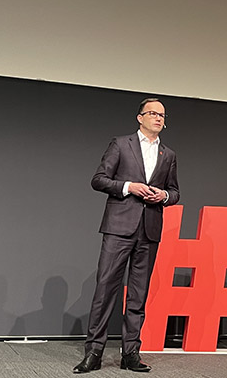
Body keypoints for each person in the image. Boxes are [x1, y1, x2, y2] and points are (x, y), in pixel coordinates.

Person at [74, 98, 180, 373]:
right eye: (153, 113)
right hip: (119, 227)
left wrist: (163, 195)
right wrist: (128, 187)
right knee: (105, 289)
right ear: (140, 117)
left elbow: (175, 192)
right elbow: (98, 179)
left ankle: (130, 352)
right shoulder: (121, 144)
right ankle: (94, 351)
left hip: (149, 229)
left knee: (138, 295)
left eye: (162, 115)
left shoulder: (168, 154)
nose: (158, 118)